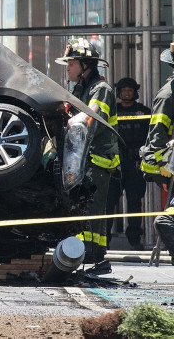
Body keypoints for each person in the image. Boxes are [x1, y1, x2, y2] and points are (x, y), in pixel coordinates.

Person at [55, 37, 120, 265]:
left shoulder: (100, 89)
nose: (68, 68)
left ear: (85, 65)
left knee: (91, 209)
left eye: (71, 64)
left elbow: (90, 121)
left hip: (98, 160)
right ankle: (90, 253)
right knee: (84, 209)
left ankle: (93, 253)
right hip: (85, 159)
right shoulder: (82, 89)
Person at [106, 77, 151, 250]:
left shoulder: (144, 112)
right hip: (115, 165)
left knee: (134, 203)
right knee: (109, 203)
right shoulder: (113, 111)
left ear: (135, 92)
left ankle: (134, 240)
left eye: (130, 90)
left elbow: (150, 137)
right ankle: (105, 239)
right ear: (119, 92)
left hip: (135, 165)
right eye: (124, 90)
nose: (126, 93)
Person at [141, 43, 174, 258]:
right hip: (170, 165)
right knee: (166, 220)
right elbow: (157, 138)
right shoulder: (168, 96)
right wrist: (160, 162)